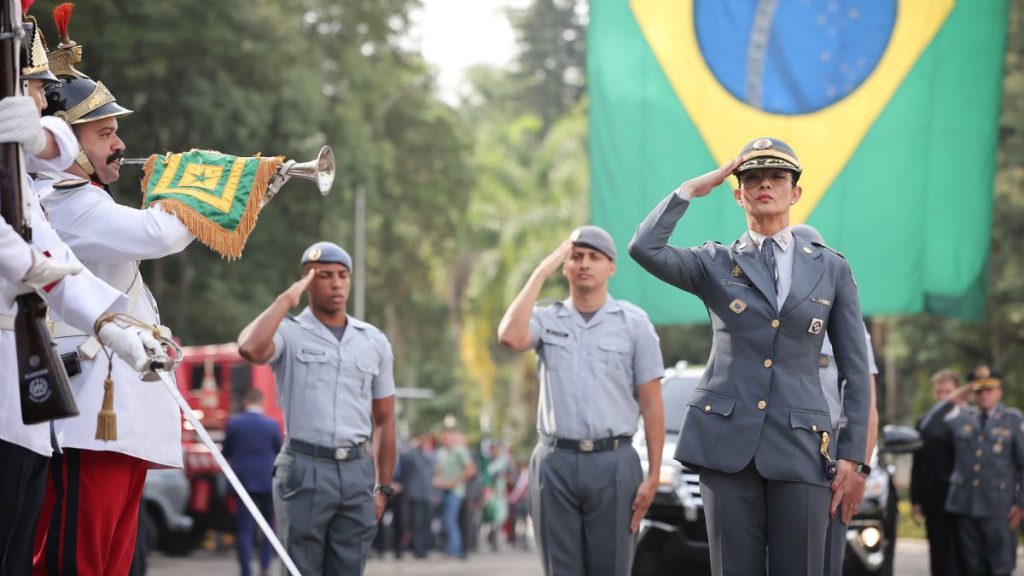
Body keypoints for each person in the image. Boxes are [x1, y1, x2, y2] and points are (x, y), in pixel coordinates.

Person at [628, 138, 872, 576]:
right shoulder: (714, 262)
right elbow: (645, 248)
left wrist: (854, 457)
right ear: (737, 193)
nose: (765, 185)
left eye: (777, 177)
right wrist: (691, 190)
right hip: (726, 443)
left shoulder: (831, 268)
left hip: (802, 444)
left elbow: (855, 369)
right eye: (752, 178)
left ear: (795, 192)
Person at [30, 10, 198, 573]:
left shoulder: (85, 197)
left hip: (117, 421)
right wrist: (215, 186)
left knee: (109, 563)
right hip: (86, 421)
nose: (119, 144)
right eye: (104, 134)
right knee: (73, 560)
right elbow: (158, 233)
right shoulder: (65, 198)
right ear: (63, 143)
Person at [0, 11, 167, 574]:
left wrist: (106, 321)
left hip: (23, 395)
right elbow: (24, 253)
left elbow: (51, 252)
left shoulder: (21, 174)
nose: (41, 101)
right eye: (33, 88)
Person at [498, 225, 666, 576]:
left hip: (615, 462)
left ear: (611, 267)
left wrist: (652, 476)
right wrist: (541, 271)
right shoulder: (546, 319)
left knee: (612, 568)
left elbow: (652, 403)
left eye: (594, 257)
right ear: (565, 266)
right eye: (576, 257)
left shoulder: (634, 324)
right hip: (555, 462)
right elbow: (510, 336)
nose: (584, 263)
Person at [237, 241, 397, 576]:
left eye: (343, 275)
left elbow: (384, 420)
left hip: (355, 472)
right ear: (307, 281)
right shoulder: (288, 333)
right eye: (324, 276)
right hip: (304, 468)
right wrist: (286, 300)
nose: (337, 283)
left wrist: (383, 487)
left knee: (349, 570)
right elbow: (250, 348)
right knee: (300, 570)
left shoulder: (373, 341)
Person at [791, 224, 881, 575]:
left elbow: (866, 405)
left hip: (828, 466)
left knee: (824, 563)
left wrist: (860, 469)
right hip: (773, 456)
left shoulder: (846, 324)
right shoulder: (765, 318)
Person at [930, 366, 1024, 576]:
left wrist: (1021, 504)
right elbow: (928, 427)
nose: (984, 395)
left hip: (999, 509)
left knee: (999, 567)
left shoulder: (1013, 421)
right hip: (965, 506)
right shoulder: (960, 418)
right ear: (972, 392)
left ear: (999, 391)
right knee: (971, 568)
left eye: (989, 389)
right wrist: (954, 396)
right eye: (978, 390)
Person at [911, 369, 966, 576]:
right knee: (938, 552)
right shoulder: (925, 423)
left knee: (964, 554)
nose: (944, 397)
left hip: (964, 498)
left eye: (948, 392)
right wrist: (916, 500)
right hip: (935, 498)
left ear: (958, 392)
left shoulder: (971, 420)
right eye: (940, 392)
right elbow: (918, 463)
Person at [223, 388, 282, 576]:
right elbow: (279, 452)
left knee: (245, 528)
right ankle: (265, 566)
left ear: (245, 402)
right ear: (262, 402)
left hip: (243, 483)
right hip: (267, 481)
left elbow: (226, 453)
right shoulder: (272, 425)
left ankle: (246, 570)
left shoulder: (234, 424)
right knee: (268, 527)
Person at [432, 425, 476, 559]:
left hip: (456, 490)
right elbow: (438, 471)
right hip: (443, 490)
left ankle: (454, 550)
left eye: (448, 437)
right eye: (443, 437)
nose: (445, 440)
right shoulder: (440, 453)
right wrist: (437, 480)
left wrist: (455, 482)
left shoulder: (460, 451)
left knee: (451, 521)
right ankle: (449, 548)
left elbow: (471, 470)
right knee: (445, 521)